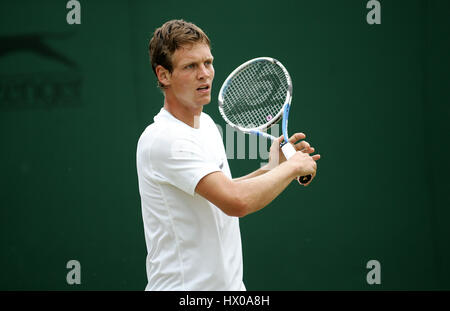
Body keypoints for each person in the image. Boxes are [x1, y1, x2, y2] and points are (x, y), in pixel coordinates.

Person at [136, 19, 320, 291]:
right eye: (190, 66)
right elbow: (237, 202)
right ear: (164, 75)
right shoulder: (163, 139)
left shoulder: (206, 125)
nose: (205, 74)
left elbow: (224, 191)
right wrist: (291, 168)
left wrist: (272, 168)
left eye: (207, 63)